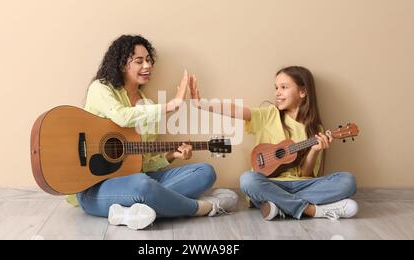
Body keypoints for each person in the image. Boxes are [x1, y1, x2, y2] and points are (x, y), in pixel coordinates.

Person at [68, 35, 238, 230]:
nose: (147, 65)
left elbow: (142, 163)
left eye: (149, 60)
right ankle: (203, 207)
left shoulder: (147, 105)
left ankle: (130, 213)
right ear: (122, 64)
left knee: (205, 172)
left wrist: (171, 155)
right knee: (142, 184)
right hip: (94, 189)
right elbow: (122, 116)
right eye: (139, 61)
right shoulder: (101, 88)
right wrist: (171, 105)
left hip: (136, 180)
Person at [190, 66, 358, 221]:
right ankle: (312, 210)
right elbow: (236, 110)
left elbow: (306, 174)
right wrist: (202, 105)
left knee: (347, 181)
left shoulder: (315, 130)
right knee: (248, 180)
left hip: (300, 185)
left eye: (284, 87)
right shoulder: (269, 115)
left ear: (303, 92)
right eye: (276, 87)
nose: (277, 92)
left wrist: (314, 151)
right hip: (269, 184)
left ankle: (280, 206)